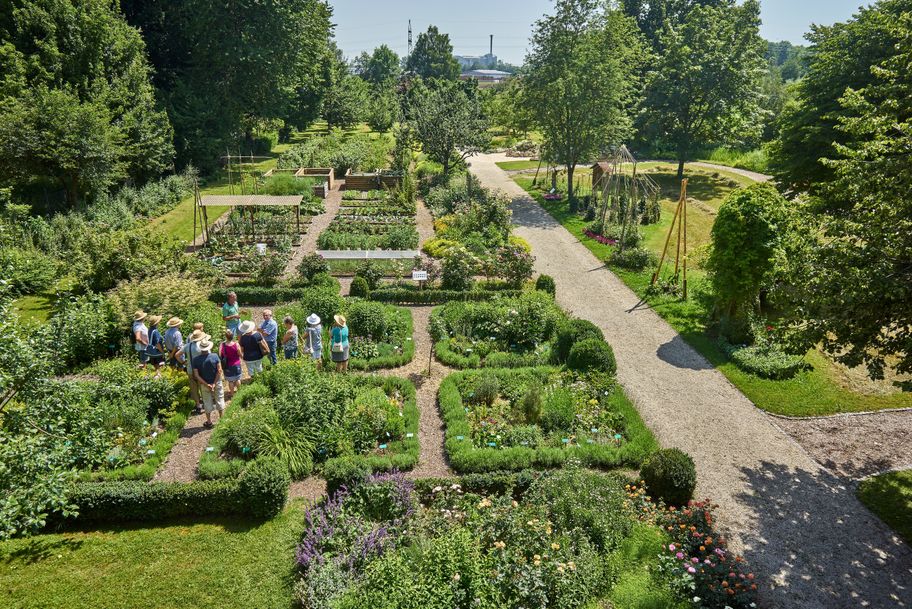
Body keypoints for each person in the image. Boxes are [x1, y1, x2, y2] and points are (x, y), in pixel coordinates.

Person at [192, 339, 225, 428]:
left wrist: (207, 384)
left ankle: (209, 421)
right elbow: (219, 371)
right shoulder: (214, 356)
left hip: (204, 384)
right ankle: (222, 419)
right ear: (208, 347)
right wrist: (214, 383)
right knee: (219, 399)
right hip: (216, 382)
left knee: (207, 402)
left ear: (200, 349)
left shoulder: (195, 360)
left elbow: (196, 375)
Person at [182, 329, 208, 413]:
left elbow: (177, 355)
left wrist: (183, 362)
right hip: (201, 370)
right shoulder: (201, 346)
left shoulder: (187, 345)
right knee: (202, 386)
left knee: (194, 389)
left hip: (190, 370)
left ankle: (198, 405)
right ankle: (205, 403)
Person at [219, 329, 243, 397]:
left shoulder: (222, 345)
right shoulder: (236, 344)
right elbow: (240, 353)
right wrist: (242, 357)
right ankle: (240, 392)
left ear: (226, 337)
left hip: (227, 365)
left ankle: (232, 393)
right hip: (236, 364)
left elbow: (220, 355)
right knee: (238, 379)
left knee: (230, 381)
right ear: (233, 336)